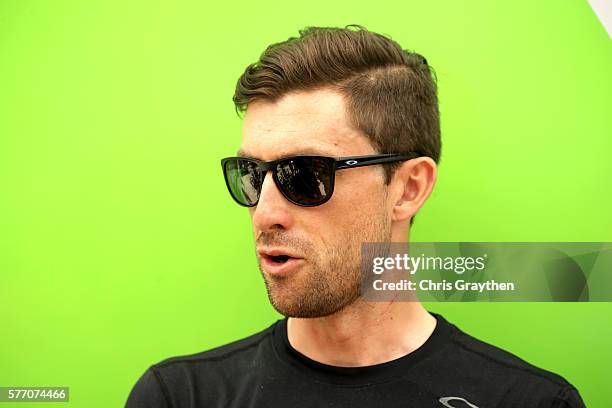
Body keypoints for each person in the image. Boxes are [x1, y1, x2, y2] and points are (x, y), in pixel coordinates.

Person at [125, 25, 585, 407]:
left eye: (304, 174)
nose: (264, 213)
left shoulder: (530, 401)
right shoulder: (179, 397)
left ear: (408, 188)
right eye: (251, 174)